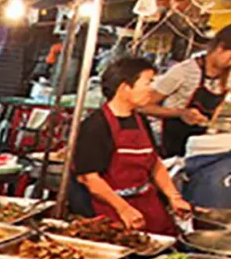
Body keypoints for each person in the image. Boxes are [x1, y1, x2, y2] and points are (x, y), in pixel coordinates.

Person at [70, 56, 192, 234]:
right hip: (110, 207)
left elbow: (154, 163)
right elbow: (91, 179)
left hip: (147, 202)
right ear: (125, 88)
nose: (152, 90)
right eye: (147, 83)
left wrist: (174, 197)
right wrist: (124, 209)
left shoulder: (140, 119)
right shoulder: (95, 125)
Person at [141, 23, 231, 158]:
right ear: (220, 47)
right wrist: (180, 113)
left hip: (201, 142)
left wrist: (212, 126)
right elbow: (143, 106)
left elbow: (221, 102)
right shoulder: (184, 71)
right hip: (172, 141)